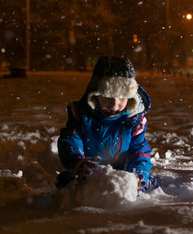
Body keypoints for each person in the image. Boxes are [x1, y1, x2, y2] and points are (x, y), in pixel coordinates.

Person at [56, 56, 157, 193]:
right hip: (88, 172)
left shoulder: (132, 121)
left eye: (122, 97)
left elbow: (139, 151)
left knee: (144, 182)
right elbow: (70, 140)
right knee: (68, 184)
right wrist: (77, 162)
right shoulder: (82, 116)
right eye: (108, 97)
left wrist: (138, 174)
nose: (114, 104)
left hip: (121, 175)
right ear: (95, 94)